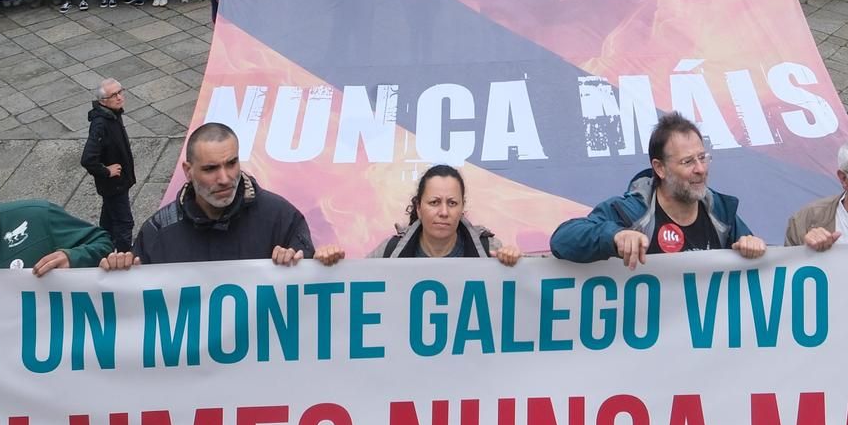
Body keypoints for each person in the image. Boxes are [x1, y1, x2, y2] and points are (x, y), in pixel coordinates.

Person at [550, 111, 767, 267]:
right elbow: (562, 239)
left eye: (702, 158)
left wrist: (751, 244)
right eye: (688, 162)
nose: (700, 169)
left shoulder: (720, 212)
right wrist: (615, 236)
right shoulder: (631, 211)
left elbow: (753, 257)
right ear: (660, 168)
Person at [132, 122, 344, 265]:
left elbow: (309, 294)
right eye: (210, 169)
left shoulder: (280, 217)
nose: (224, 178)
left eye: (231, 163)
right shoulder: (158, 232)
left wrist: (319, 263)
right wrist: (121, 272)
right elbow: (134, 305)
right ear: (188, 171)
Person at [370, 164, 521, 263]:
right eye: (434, 202)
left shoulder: (489, 249)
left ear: (462, 208)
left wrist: (515, 263)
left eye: (452, 203)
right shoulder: (388, 252)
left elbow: (522, 292)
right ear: (418, 208)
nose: (444, 212)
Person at [80, 78, 136, 253]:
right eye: (114, 95)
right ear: (103, 101)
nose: (119, 97)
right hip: (114, 185)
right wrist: (106, 171)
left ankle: (101, 251)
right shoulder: (101, 124)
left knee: (108, 221)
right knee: (124, 223)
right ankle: (124, 257)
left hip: (118, 183)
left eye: (120, 92)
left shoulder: (113, 114)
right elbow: (88, 159)